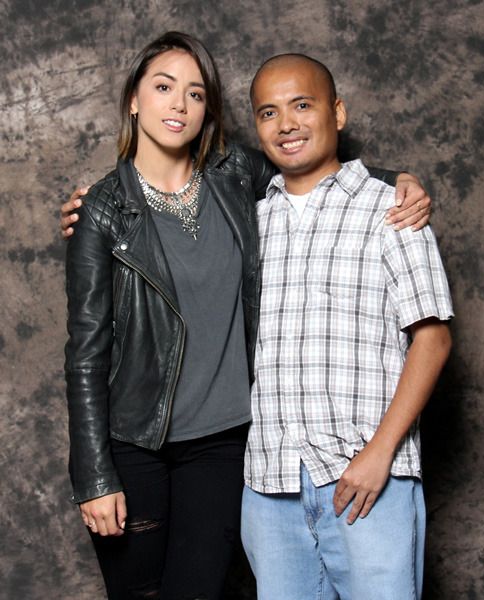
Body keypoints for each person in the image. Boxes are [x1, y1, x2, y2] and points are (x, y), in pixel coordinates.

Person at [63, 32, 430, 600]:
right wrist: (92, 474)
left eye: (195, 93)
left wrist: (396, 181)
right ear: (134, 99)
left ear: (209, 109)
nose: (179, 105)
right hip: (134, 441)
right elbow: (86, 353)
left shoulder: (235, 176)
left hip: (223, 444)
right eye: (163, 88)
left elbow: (312, 165)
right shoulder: (103, 210)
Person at [241, 54, 453, 600]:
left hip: (368, 480)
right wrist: (98, 210)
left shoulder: (393, 209)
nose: (286, 124)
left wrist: (380, 454)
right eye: (269, 112)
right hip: (270, 485)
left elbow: (433, 339)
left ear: (337, 112)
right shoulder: (251, 221)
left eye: (302, 105)